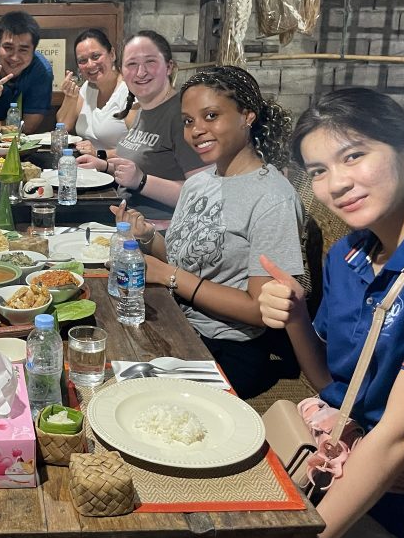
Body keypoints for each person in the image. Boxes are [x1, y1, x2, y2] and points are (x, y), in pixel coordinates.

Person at [258, 88, 404, 538]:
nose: (337, 184)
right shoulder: (347, 255)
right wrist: (298, 318)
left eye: (354, 156)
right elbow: (332, 383)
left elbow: (403, 434)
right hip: (331, 479)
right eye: (319, 171)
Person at [113, 65, 304, 398]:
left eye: (211, 116)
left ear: (247, 116)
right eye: (188, 121)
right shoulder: (199, 183)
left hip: (229, 350)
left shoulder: (273, 198)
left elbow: (261, 311)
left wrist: (170, 276)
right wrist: (146, 238)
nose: (196, 131)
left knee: (129, 395)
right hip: (178, 326)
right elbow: (181, 259)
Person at [80, 30, 205, 221]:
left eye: (150, 62)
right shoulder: (143, 111)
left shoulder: (183, 115)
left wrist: (142, 181)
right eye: (132, 64)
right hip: (125, 220)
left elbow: (202, 194)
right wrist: (104, 166)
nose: (140, 72)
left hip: (159, 232)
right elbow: (140, 168)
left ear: (169, 67)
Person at [55, 29, 130, 154]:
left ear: (112, 54)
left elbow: (141, 149)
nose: (90, 65)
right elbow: (63, 127)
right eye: (82, 61)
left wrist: (98, 153)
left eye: (95, 56)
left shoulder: (129, 91)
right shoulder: (87, 87)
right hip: (88, 167)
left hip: (118, 169)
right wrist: (70, 97)